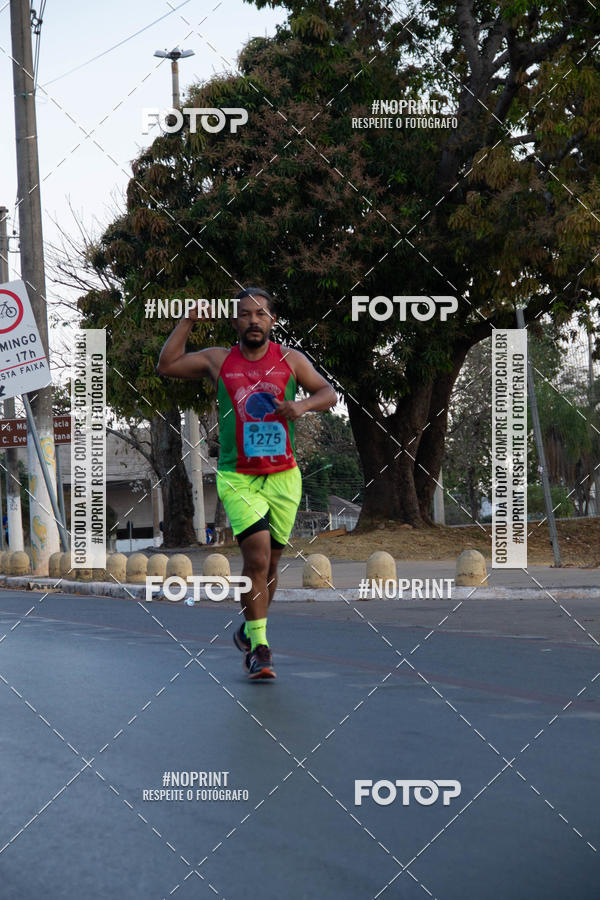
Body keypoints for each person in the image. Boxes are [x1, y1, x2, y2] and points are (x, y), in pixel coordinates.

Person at [157, 287, 337, 679]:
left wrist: (301, 405)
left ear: (272, 320)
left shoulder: (290, 360)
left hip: (284, 476)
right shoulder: (219, 360)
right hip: (239, 476)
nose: (253, 320)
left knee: (271, 564)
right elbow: (166, 365)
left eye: (260, 314)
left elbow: (328, 393)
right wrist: (188, 320)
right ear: (235, 321)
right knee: (255, 558)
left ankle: (249, 627)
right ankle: (260, 649)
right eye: (245, 314)